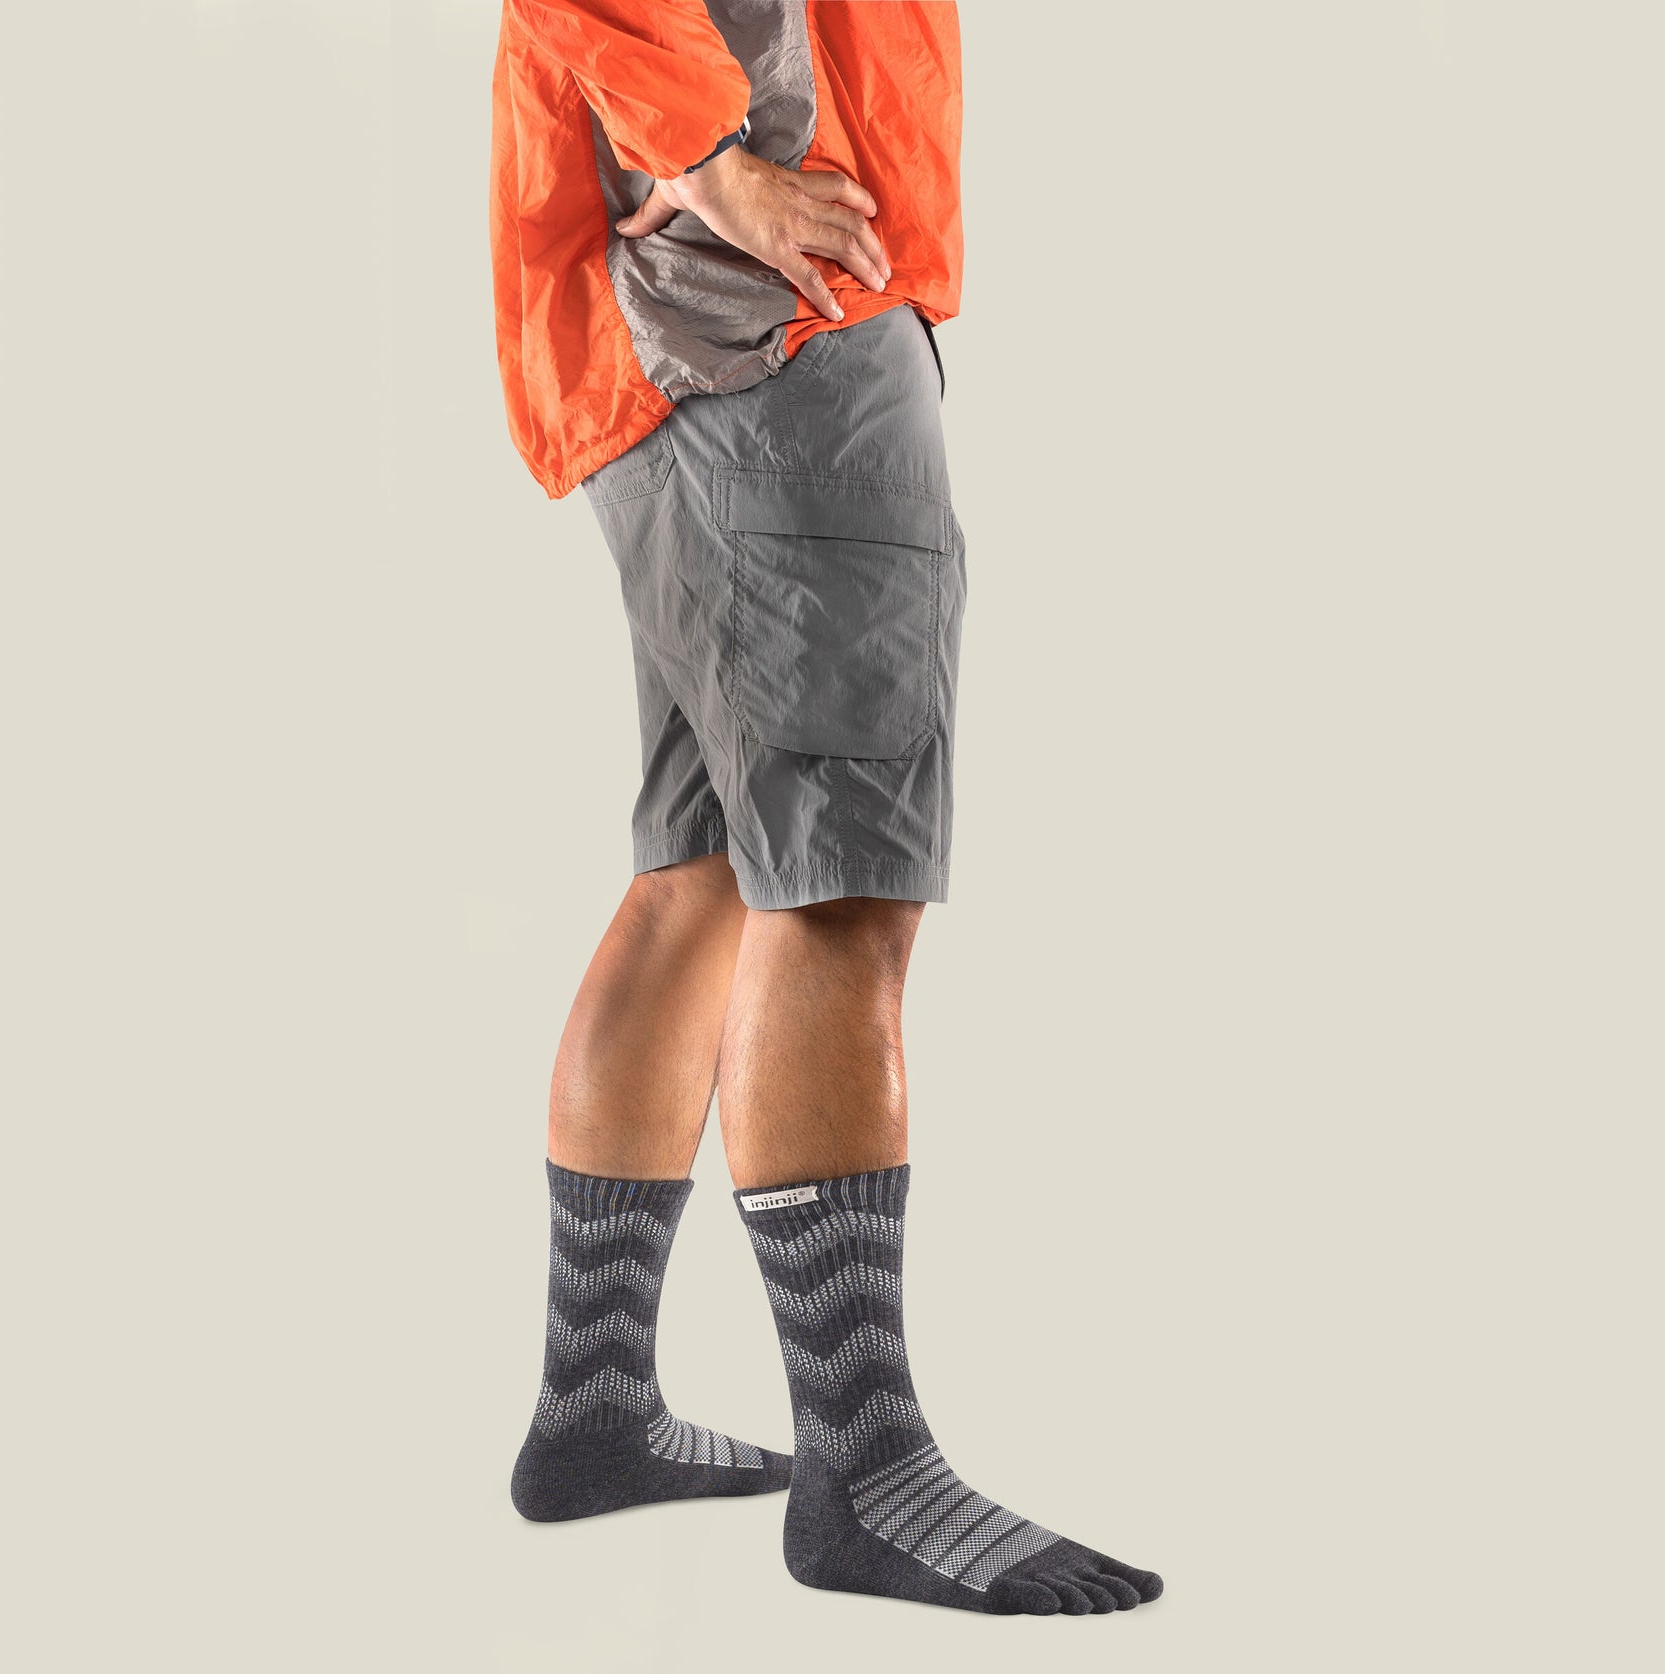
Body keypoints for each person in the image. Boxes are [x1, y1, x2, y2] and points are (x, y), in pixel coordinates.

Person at [490, 1, 1162, 1617]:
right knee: (841, 884)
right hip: (769, 320)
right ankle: (863, 1465)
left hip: (675, 337)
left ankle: (595, 1400)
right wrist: (715, 161)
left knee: (707, 869)